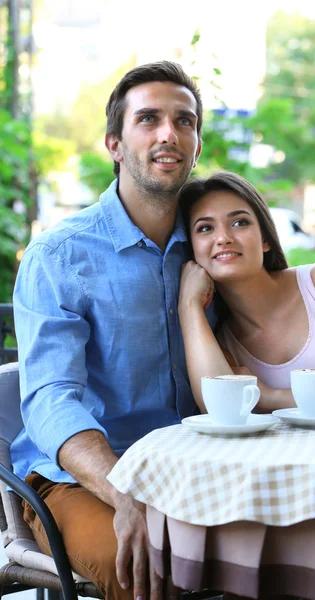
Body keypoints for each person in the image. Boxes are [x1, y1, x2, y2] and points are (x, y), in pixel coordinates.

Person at [12, 61, 205, 600]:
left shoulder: (211, 243)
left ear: (197, 145)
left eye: (184, 121)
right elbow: (51, 398)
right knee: (149, 573)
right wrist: (126, 494)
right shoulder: (62, 254)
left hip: (196, 469)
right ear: (115, 144)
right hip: (80, 480)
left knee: (289, 556)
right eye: (149, 119)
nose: (169, 133)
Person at [178, 171, 315, 415]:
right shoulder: (221, 342)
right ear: (193, 250)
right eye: (205, 228)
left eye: (240, 223)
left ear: (266, 239)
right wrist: (189, 306)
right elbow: (219, 411)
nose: (223, 238)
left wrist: (273, 398)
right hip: (291, 454)